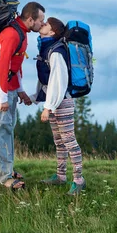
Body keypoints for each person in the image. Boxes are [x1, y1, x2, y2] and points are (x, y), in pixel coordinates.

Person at [0, 1, 45, 190]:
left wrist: (20, 91)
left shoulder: (22, 34)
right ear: (30, 18)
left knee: (8, 128)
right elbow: (1, 66)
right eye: (40, 20)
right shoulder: (11, 34)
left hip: (8, 87)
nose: (42, 24)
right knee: (0, 131)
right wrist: (2, 98)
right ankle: (3, 178)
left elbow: (14, 66)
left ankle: (8, 169)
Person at [30, 17, 86, 196]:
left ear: (52, 32)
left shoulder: (56, 52)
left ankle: (79, 180)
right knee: (59, 142)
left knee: (69, 141)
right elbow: (46, 79)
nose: (42, 25)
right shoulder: (47, 49)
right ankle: (61, 176)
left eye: (46, 24)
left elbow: (58, 81)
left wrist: (49, 106)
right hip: (55, 103)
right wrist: (34, 97)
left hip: (62, 102)